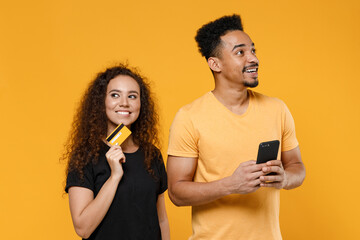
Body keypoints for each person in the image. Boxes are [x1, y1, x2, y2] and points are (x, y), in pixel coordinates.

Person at [167, 14, 305, 240]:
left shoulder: (277, 109)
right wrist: (230, 185)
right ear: (215, 63)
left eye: (253, 50)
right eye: (240, 52)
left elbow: (297, 166)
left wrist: (285, 178)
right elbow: (177, 192)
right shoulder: (189, 117)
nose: (253, 58)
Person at [62, 64, 170, 240]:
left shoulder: (152, 154)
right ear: (101, 101)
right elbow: (83, 229)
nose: (124, 103)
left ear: (141, 104)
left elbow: (162, 220)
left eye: (132, 96)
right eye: (115, 95)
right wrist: (114, 177)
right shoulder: (85, 156)